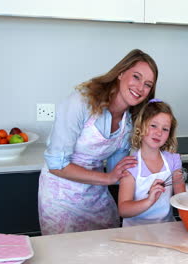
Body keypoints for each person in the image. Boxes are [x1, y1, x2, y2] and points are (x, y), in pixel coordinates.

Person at [38, 49, 158, 235]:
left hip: (95, 194)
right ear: (120, 73)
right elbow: (56, 165)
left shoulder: (129, 120)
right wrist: (108, 178)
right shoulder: (81, 102)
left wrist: (153, 179)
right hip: (60, 196)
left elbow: (115, 169)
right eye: (136, 77)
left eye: (148, 84)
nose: (140, 87)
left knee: (106, 249)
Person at [118, 99, 185, 226]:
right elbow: (123, 210)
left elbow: (182, 199)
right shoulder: (130, 165)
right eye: (153, 125)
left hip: (166, 229)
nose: (159, 132)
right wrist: (149, 200)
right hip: (135, 233)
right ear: (141, 126)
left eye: (165, 129)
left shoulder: (173, 161)